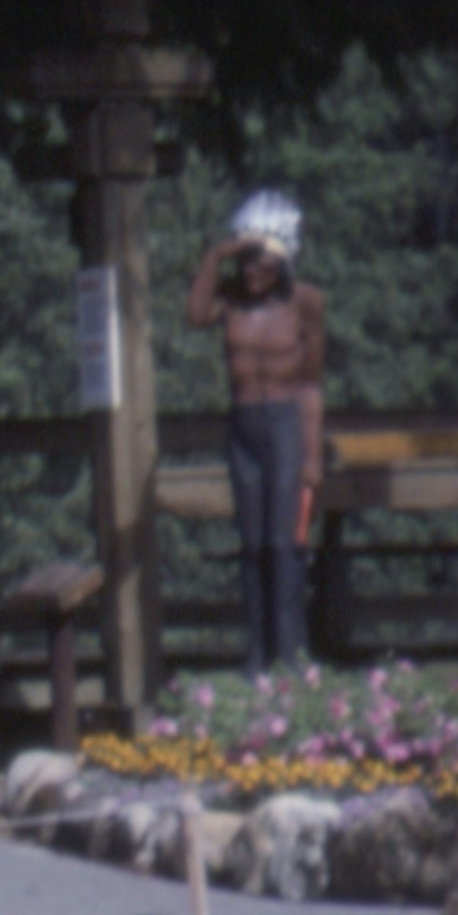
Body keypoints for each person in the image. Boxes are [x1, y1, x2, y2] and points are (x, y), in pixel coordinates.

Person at [186, 189, 333, 674]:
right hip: (244, 427)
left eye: (263, 263)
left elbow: (310, 383)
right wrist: (217, 255)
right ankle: (256, 654)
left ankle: (290, 652)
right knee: (251, 544)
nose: (252, 273)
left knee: (283, 543)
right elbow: (194, 313)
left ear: (285, 261)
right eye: (246, 261)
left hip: (287, 425)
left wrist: (312, 458)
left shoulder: (305, 303)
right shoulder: (229, 302)